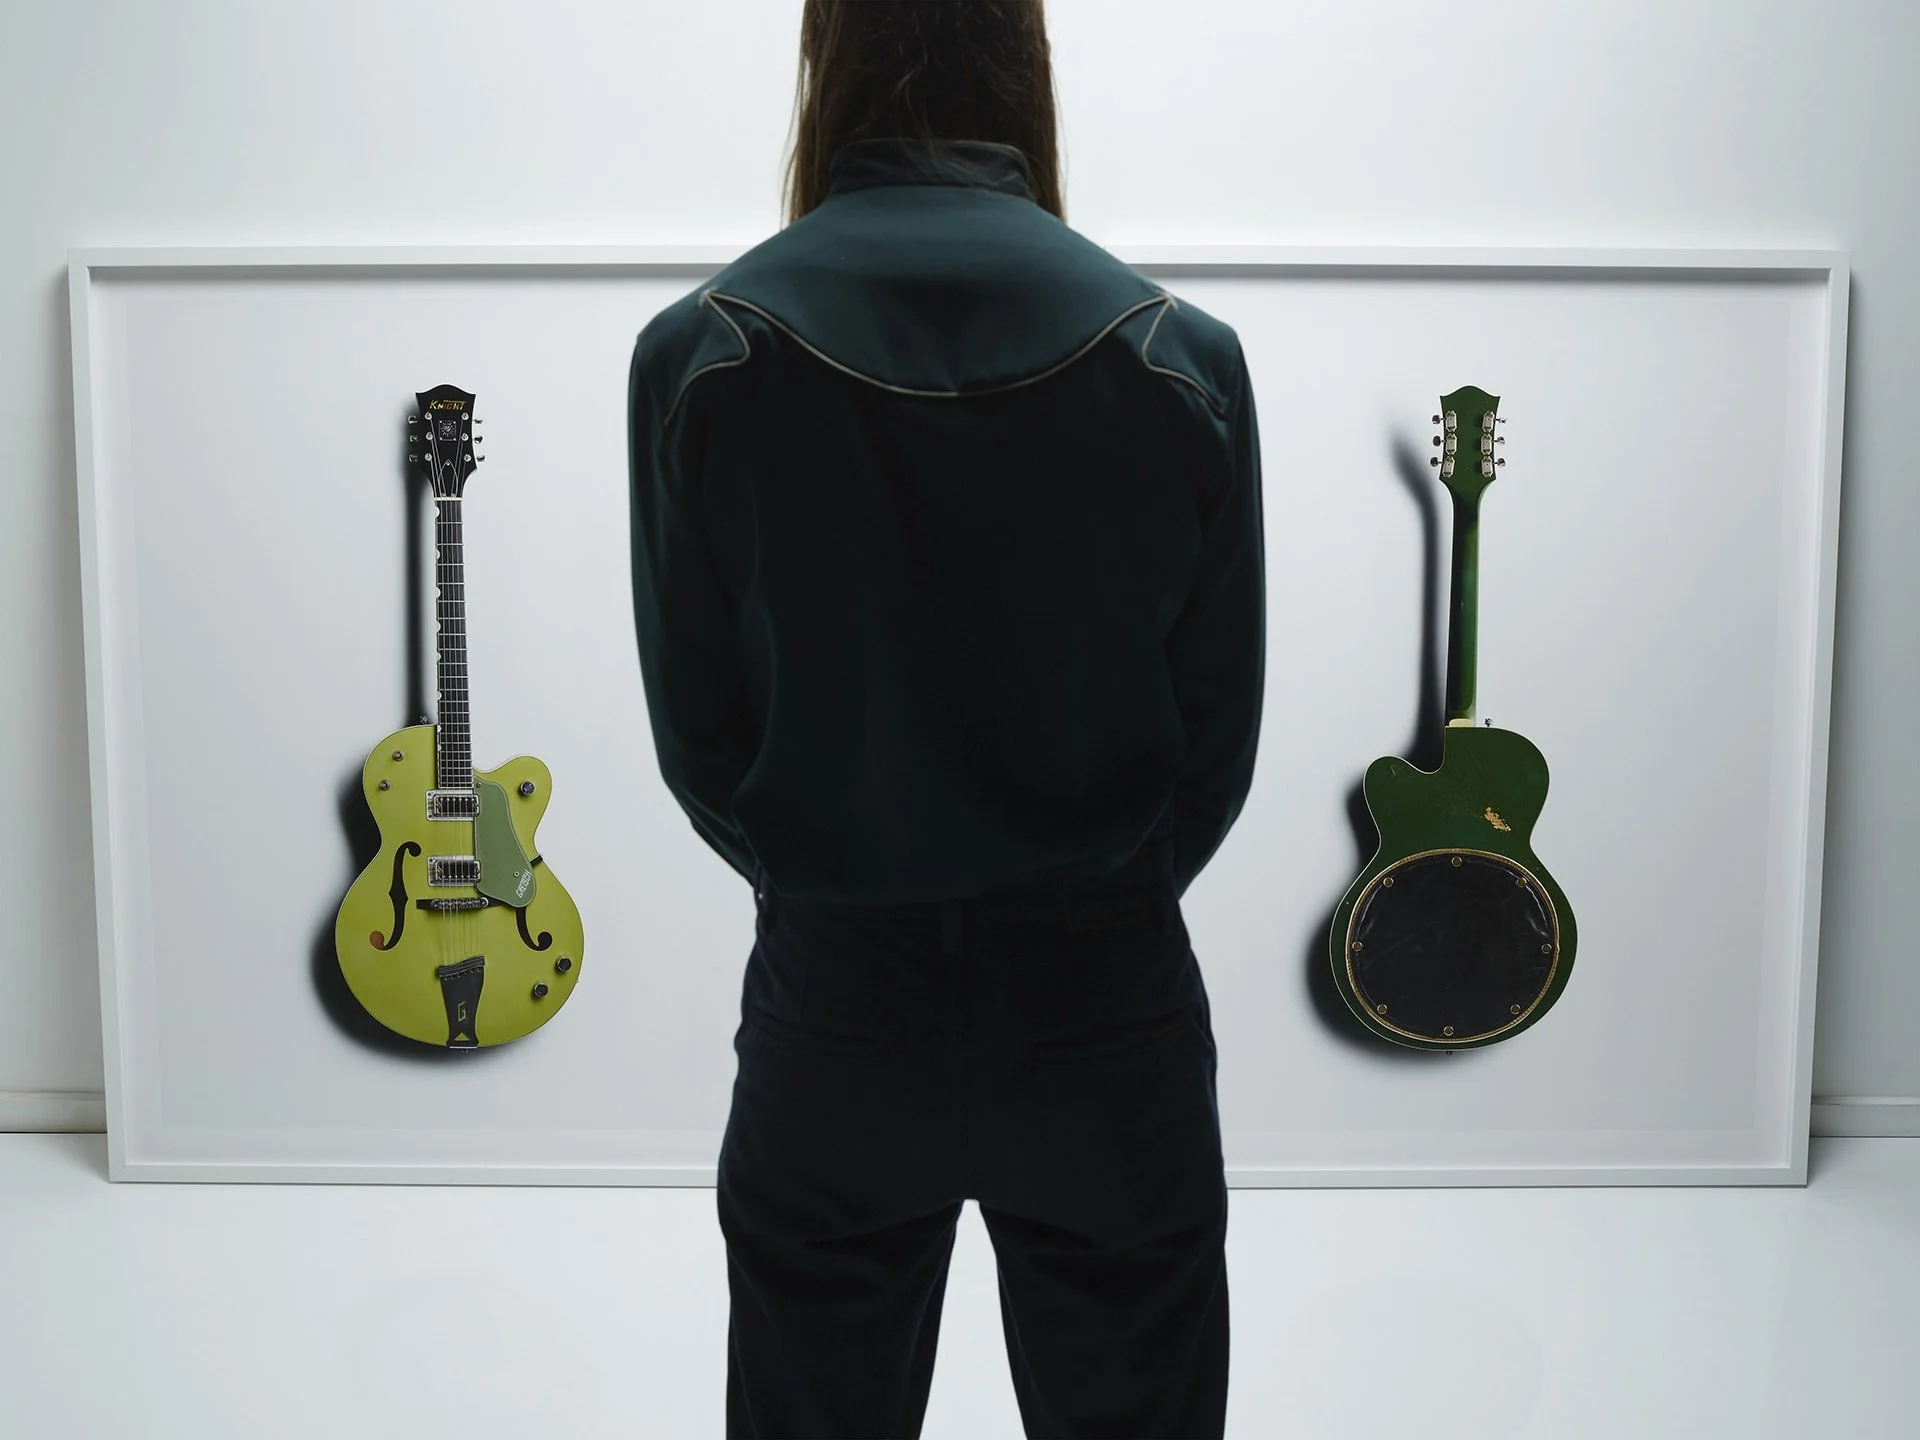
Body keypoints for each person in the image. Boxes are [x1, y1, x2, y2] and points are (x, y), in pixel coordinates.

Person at [627, 2, 1264, 1435]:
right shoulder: (1180, 356)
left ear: (824, 64)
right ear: (1025, 65)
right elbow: (1215, 741)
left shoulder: (702, 354)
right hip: (1108, 1001)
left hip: (837, 1004)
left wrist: (838, 869)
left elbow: (702, 741)